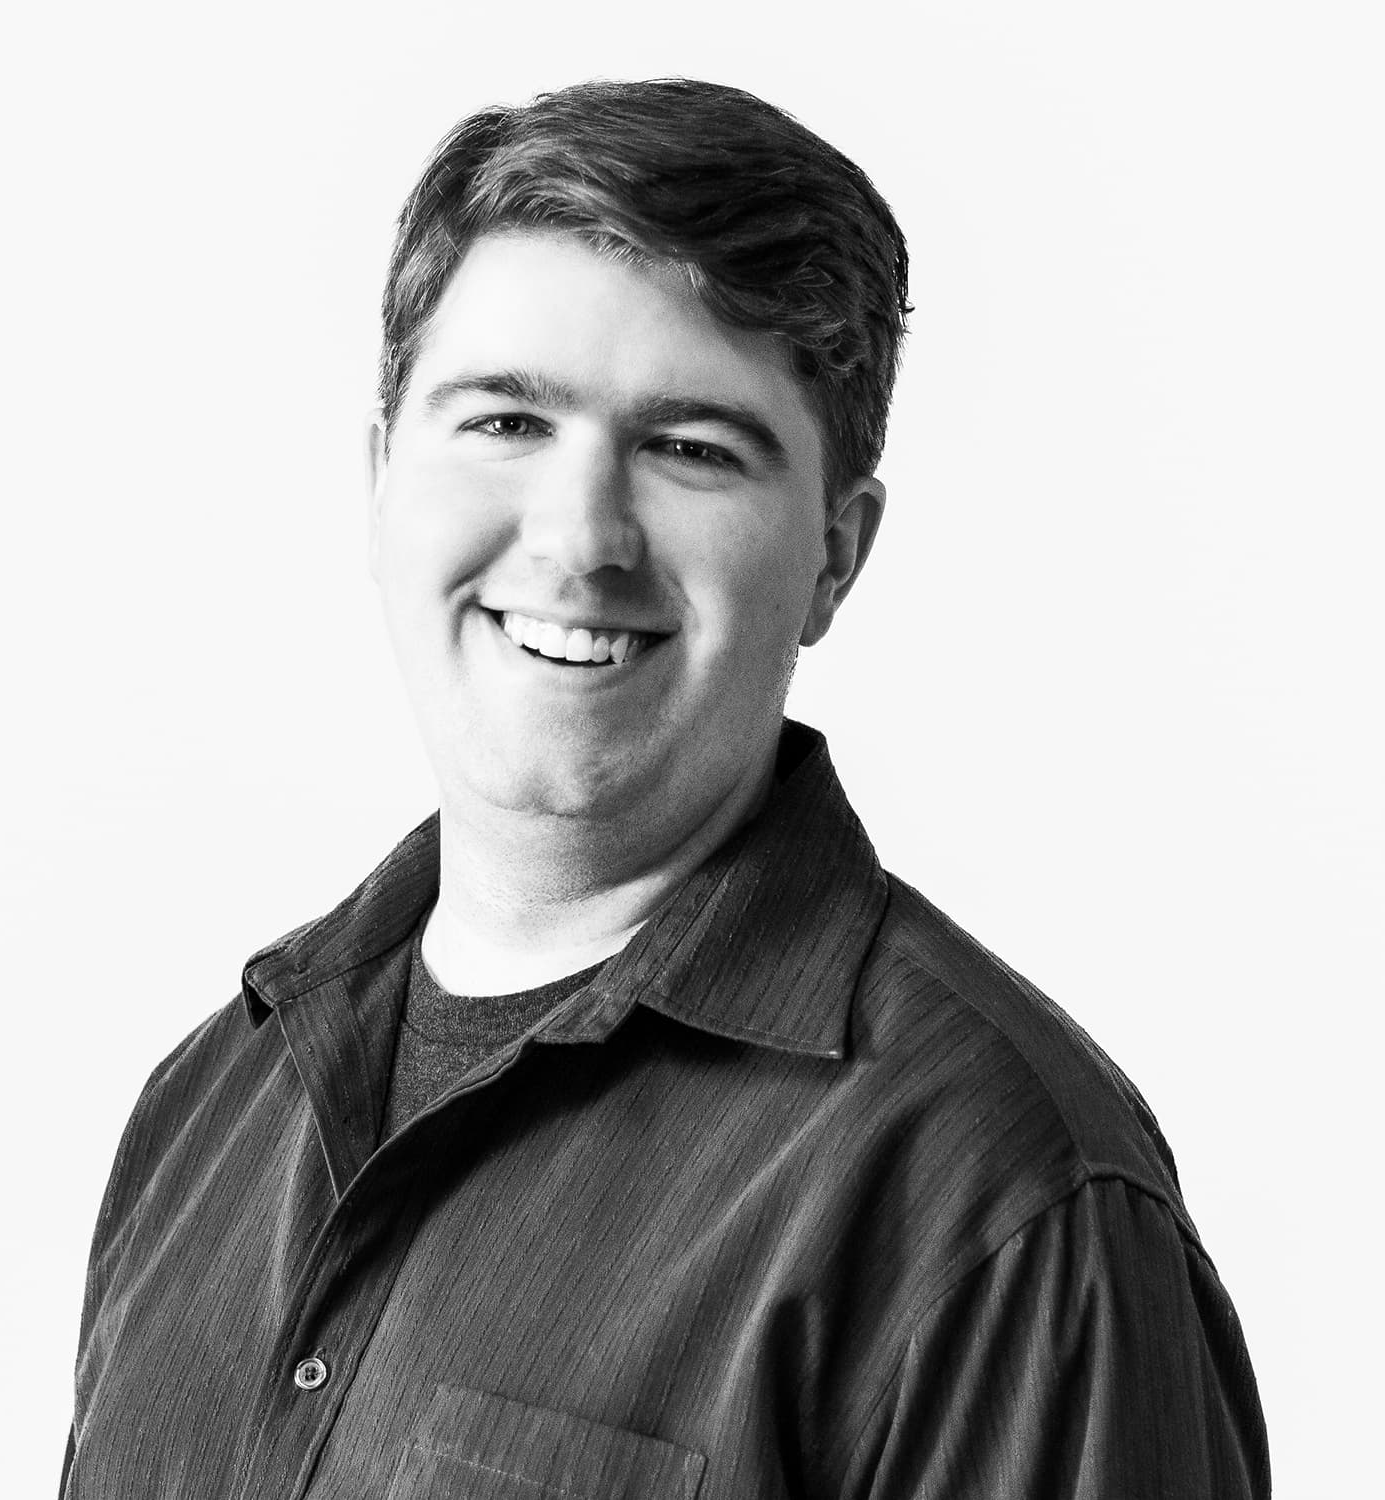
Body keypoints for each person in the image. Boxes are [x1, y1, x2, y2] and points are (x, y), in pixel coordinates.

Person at [62, 78, 1269, 1498]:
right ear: (384, 478)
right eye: (507, 422)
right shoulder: (212, 1103)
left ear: (836, 552)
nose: (580, 542)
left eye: (691, 448)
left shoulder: (1000, 1198)